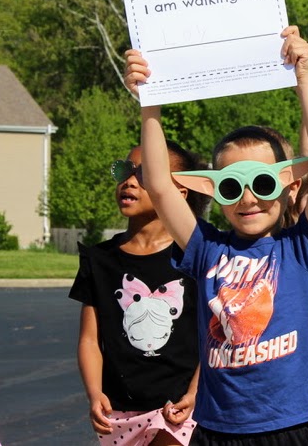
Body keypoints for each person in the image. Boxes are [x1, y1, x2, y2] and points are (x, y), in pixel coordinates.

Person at [124, 25, 308, 444]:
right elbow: (160, 184)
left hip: (291, 427)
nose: (247, 199)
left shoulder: (301, 246)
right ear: (213, 192)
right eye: (230, 186)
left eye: (261, 183)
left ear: (288, 184)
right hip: (219, 430)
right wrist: (150, 103)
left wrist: (304, 78)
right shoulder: (206, 248)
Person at [69, 142, 207, 446]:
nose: (129, 181)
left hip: (181, 406)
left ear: (179, 191)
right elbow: (90, 339)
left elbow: (214, 334)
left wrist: (196, 391)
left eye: (145, 174)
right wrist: (95, 394)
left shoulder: (197, 254)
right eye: (124, 171)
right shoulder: (99, 259)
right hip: (118, 411)